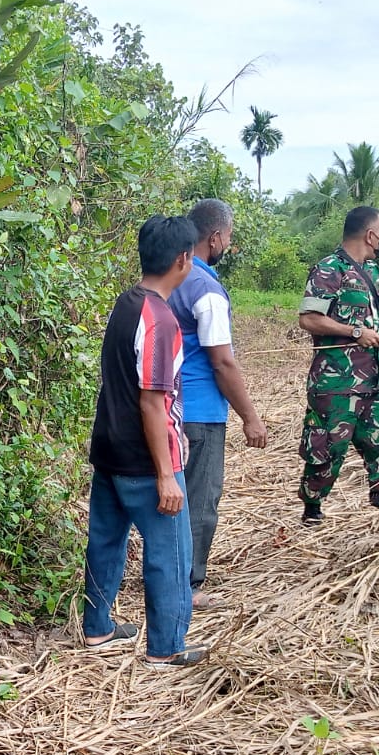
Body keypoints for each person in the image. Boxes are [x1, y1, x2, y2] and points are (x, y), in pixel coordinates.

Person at [82, 215, 208, 670]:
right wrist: (165, 475)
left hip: (109, 449)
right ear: (183, 260)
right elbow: (154, 403)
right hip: (144, 459)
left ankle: (97, 626)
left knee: (105, 542)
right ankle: (166, 645)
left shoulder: (126, 303)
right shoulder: (160, 319)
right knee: (170, 553)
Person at [296, 206, 379, 526]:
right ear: (370, 235)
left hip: (376, 381)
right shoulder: (329, 270)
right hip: (337, 383)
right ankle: (312, 508)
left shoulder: (374, 272)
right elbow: (308, 319)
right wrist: (354, 332)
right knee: (327, 449)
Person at [166, 199, 267, 610]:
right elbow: (222, 361)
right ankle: (187, 585)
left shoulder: (171, 279)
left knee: (172, 495)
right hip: (201, 413)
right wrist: (251, 418)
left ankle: (167, 573)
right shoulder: (207, 289)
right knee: (200, 500)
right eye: (229, 236)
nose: (229, 243)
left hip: (170, 408)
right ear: (215, 237)